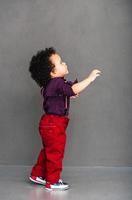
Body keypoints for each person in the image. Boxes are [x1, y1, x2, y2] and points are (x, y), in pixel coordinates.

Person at [28, 47, 102, 191]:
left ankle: (37, 174)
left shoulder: (50, 84)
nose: (65, 63)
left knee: (48, 150)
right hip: (55, 124)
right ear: (53, 72)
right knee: (56, 153)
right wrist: (90, 79)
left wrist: (69, 94)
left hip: (47, 123)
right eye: (61, 63)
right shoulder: (57, 83)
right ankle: (52, 181)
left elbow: (64, 93)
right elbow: (73, 89)